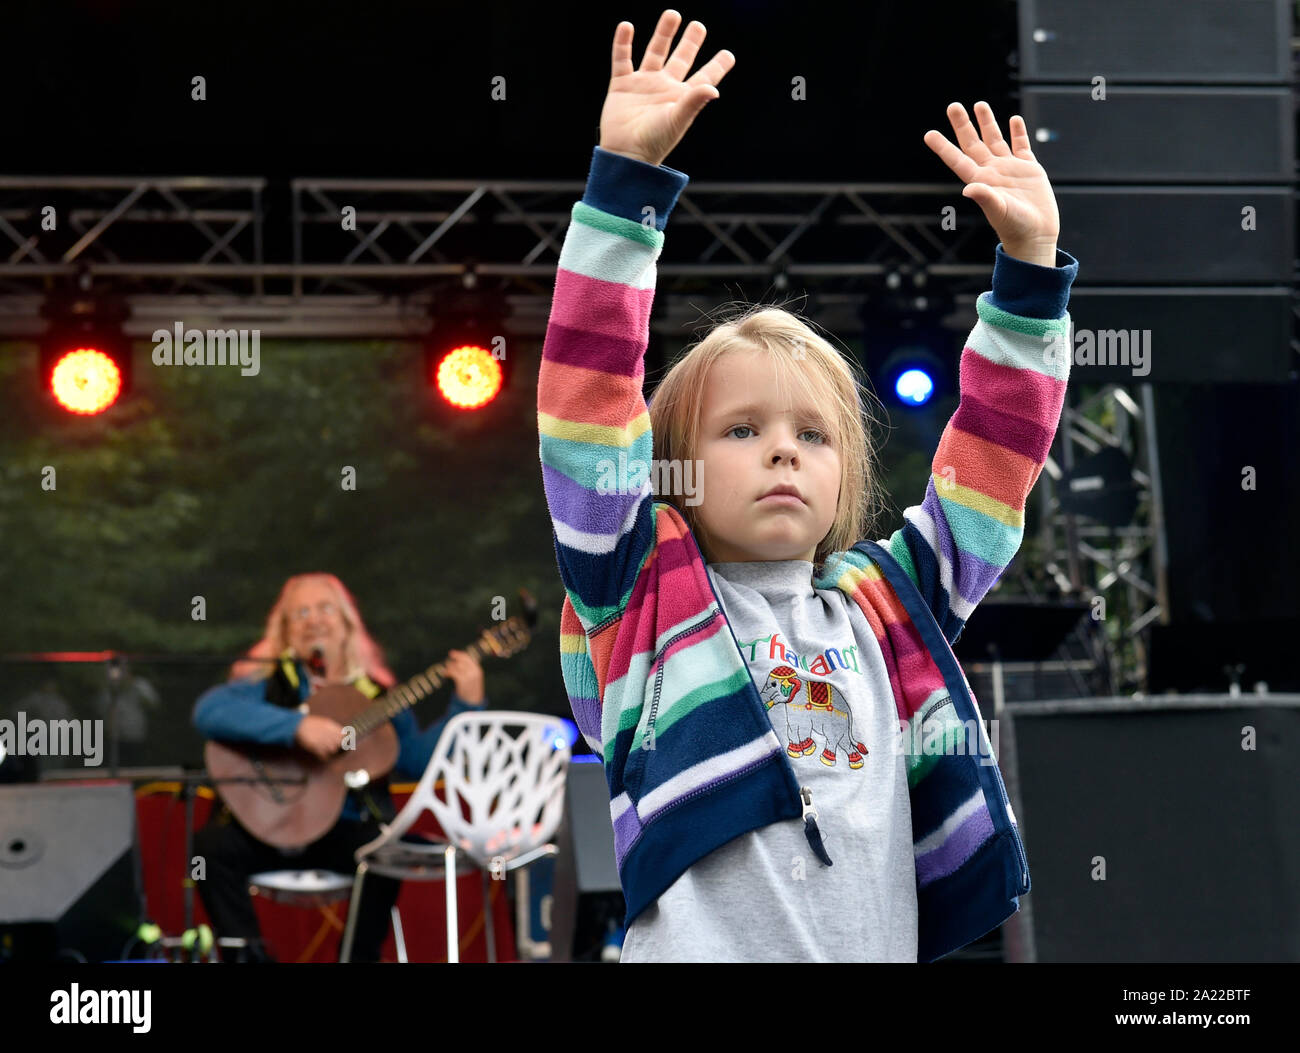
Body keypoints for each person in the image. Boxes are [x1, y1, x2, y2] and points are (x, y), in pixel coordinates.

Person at [537, 11, 1078, 962]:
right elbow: (587, 409)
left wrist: (1031, 278)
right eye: (742, 430)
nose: (783, 452)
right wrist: (622, 192)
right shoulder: (640, 598)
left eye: (813, 435)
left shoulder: (888, 606)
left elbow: (994, 460)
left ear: (845, 475)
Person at [191, 572, 488, 962]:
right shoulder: (266, 683)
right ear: (285, 630)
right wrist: (297, 728)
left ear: (347, 624)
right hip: (269, 829)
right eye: (301, 612)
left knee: (383, 850)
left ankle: (358, 957)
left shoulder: (376, 696)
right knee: (211, 847)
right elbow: (210, 712)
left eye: (325, 608)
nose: (314, 619)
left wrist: (466, 704)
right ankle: (247, 957)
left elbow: (418, 760)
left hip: (343, 834)